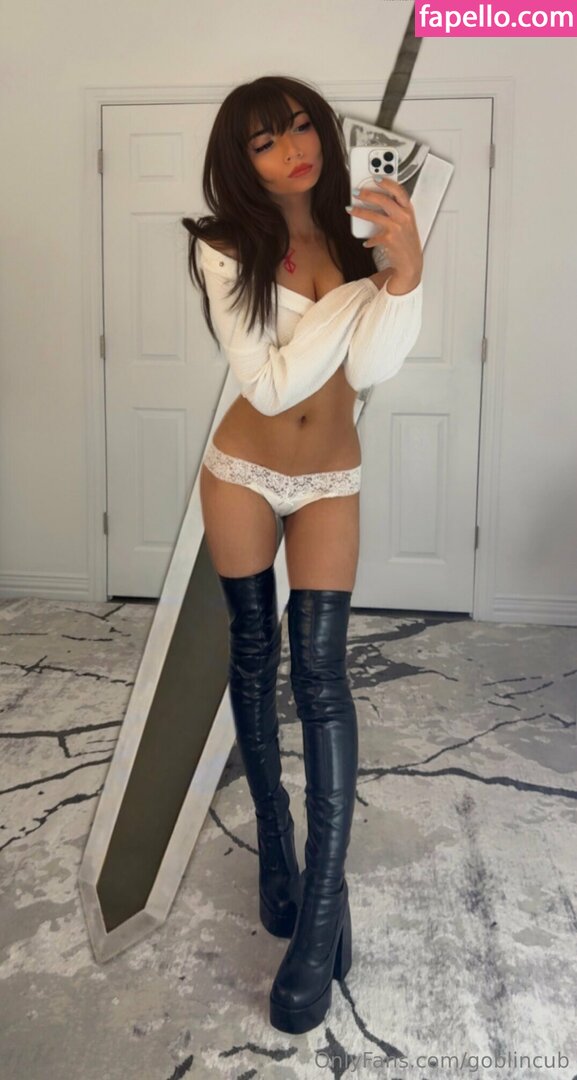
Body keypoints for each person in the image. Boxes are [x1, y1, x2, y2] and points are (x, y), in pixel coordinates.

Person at [181, 74, 423, 1035]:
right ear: (238, 163)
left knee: (322, 678)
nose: (292, 148)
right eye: (263, 141)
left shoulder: (359, 233)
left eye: (297, 126)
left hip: (329, 478)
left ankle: (319, 913)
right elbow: (272, 386)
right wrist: (364, 292)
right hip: (242, 470)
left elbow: (371, 368)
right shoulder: (222, 246)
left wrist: (402, 275)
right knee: (254, 655)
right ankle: (275, 853)